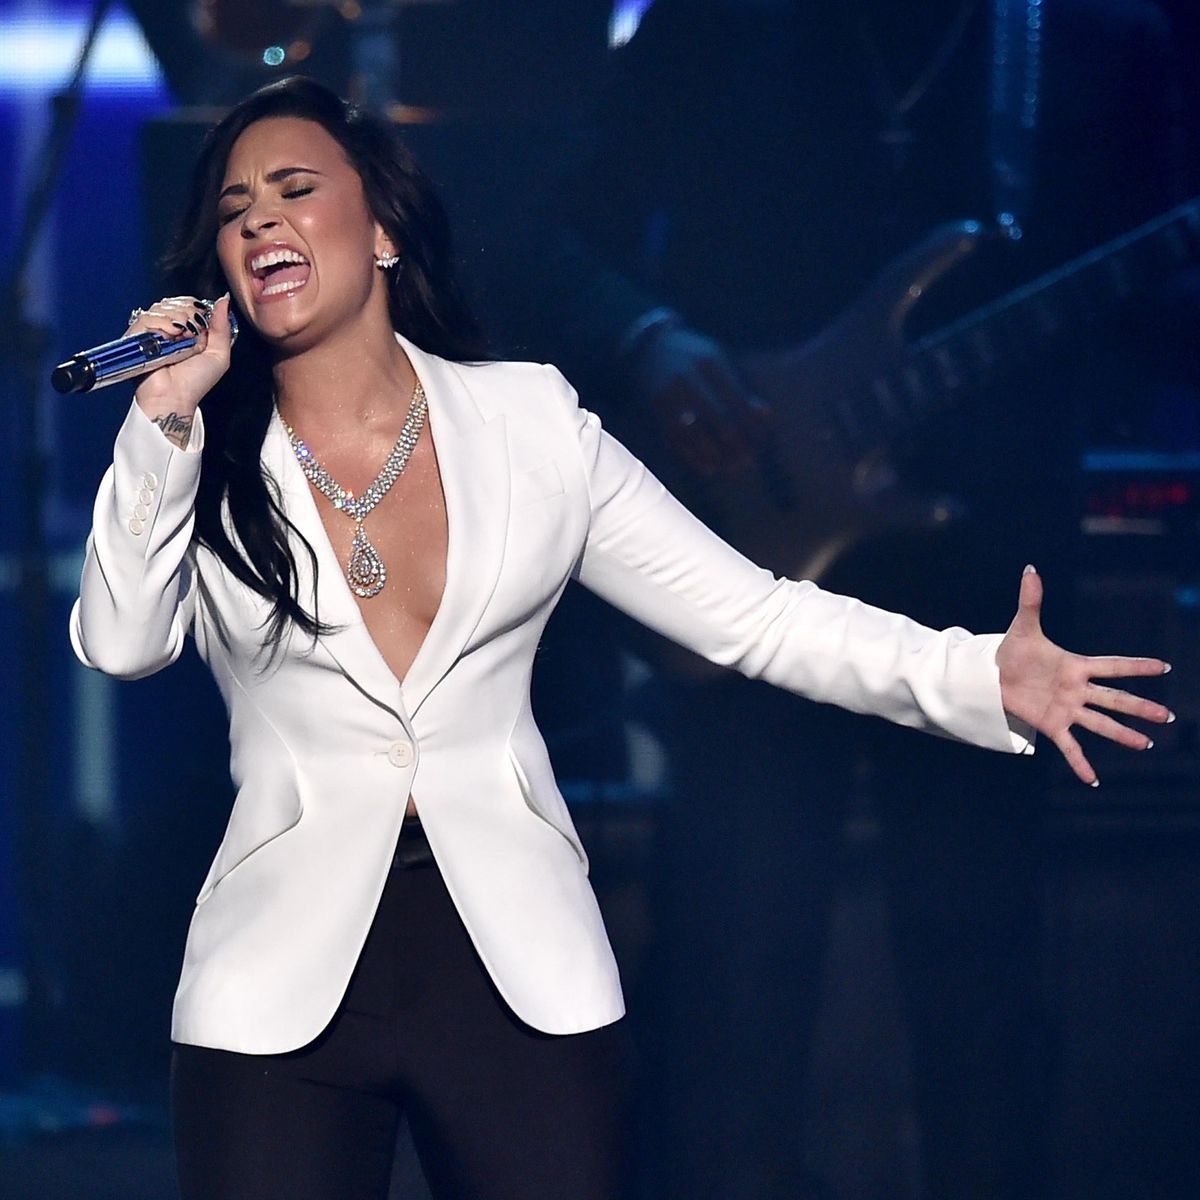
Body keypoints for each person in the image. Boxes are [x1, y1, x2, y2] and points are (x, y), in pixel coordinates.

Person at [68, 76, 1170, 1200]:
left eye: (295, 188)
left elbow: (754, 616)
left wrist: (978, 673)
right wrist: (161, 421)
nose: (259, 218)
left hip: (516, 966)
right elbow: (121, 643)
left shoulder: (529, 423)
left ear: (384, 229)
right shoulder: (201, 455)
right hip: (275, 986)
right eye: (235, 208)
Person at [514, 2, 1194, 1196]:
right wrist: (651, 341)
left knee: (982, 1002)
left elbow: (1157, 315)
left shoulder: (1094, 34)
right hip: (743, 562)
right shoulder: (719, 24)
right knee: (733, 991)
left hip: (988, 589)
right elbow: (542, 235)